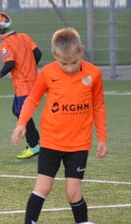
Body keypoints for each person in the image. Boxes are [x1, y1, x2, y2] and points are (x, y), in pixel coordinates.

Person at [11, 28, 108, 224]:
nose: (70, 68)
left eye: (74, 62)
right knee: (43, 187)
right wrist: (22, 123)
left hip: (79, 144)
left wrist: (102, 138)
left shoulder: (93, 74)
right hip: (51, 141)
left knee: (73, 192)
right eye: (64, 63)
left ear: (81, 50)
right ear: (55, 55)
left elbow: (98, 106)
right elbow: (32, 100)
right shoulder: (47, 72)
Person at [0, 12, 42, 159]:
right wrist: (30, 67)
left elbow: (10, 63)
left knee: (23, 114)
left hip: (23, 86)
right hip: (33, 82)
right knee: (17, 110)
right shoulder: (25, 37)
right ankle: (36, 143)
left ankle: (35, 146)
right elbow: (38, 53)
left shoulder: (5, 44)